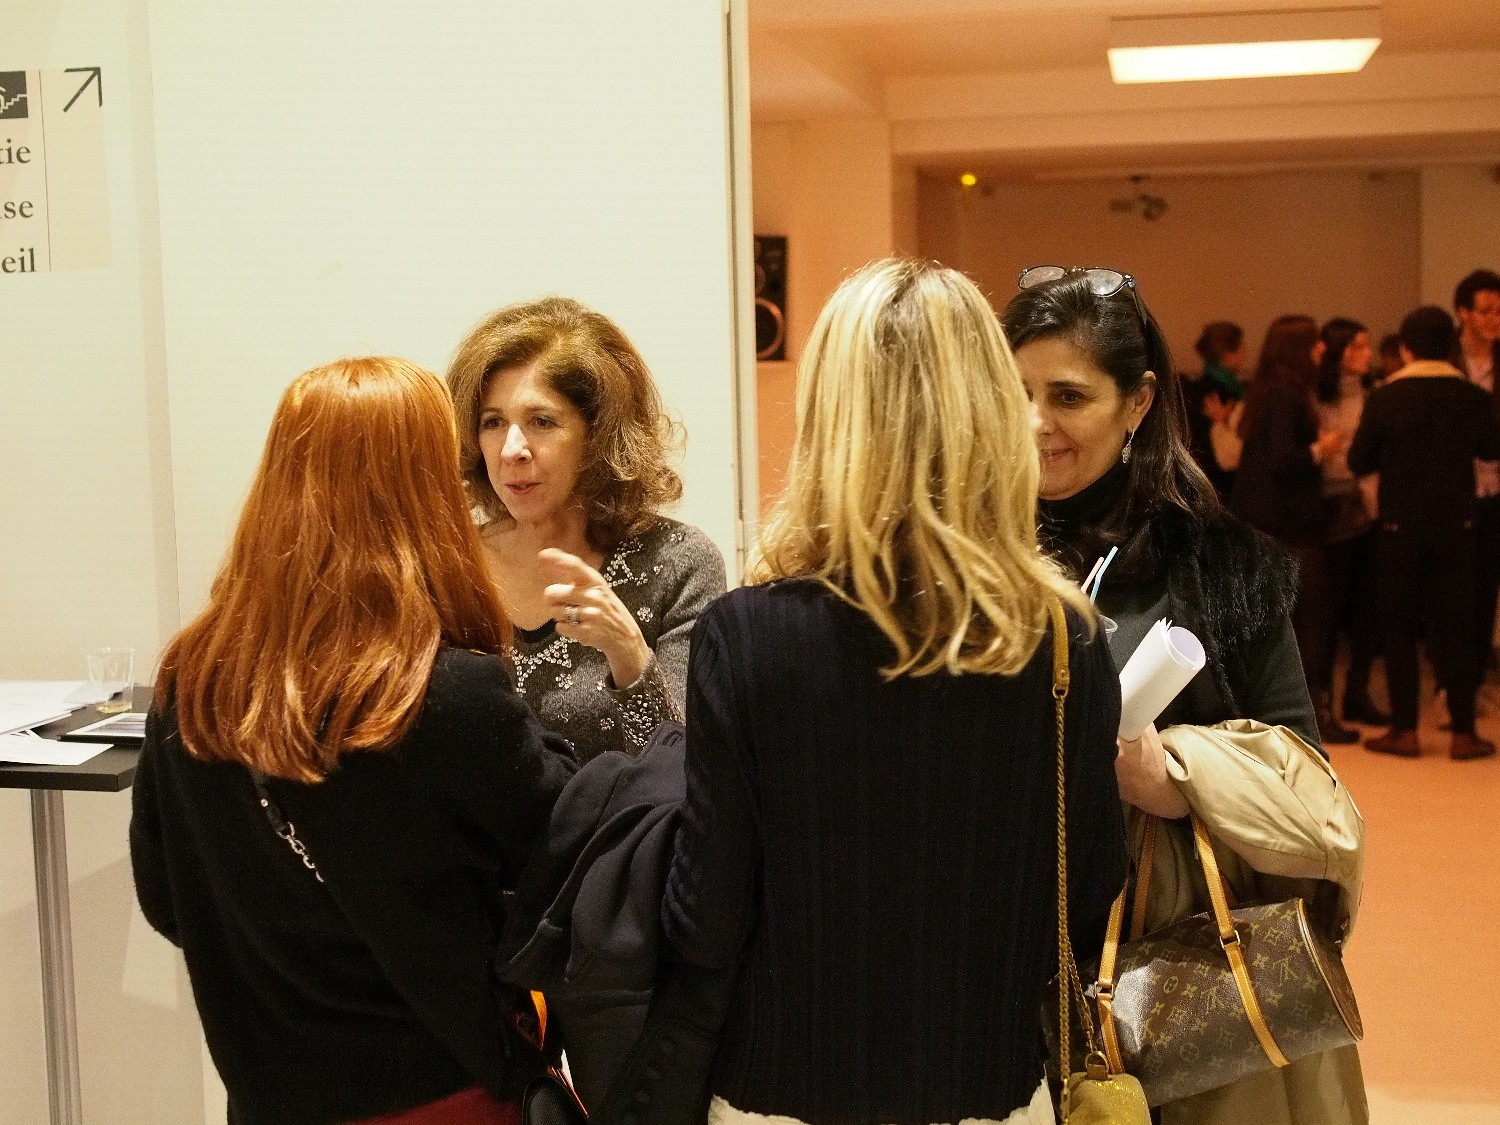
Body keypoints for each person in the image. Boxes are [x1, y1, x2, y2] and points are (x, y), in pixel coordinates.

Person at [664, 258, 1129, 1125]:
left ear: (829, 416)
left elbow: (707, 918)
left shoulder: (747, 634)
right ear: (993, 413)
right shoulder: (1067, 638)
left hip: (785, 1092)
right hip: (989, 1087)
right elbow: (1092, 882)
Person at [130, 358, 579, 1125]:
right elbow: (563, 850)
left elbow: (165, 898)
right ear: (423, 496)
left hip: (266, 1099)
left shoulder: (190, 686)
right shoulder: (446, 692)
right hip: (445, 1095)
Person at [1003, 268, 1368, 1125]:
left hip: (1168, 972)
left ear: (1138, 402)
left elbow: (1309, 784)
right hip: (996, 957)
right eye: (1014, 393)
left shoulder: (1221, 566)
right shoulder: (960, 550)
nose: (1034, 423)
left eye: (1067, 396)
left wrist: (1178, 772)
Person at [446, 297, 726, 762]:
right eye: (493, 422)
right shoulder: (451, 563)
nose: (512, 449)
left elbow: (688, 765)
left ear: (598, 434)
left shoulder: (677, 562)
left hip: (625, 813)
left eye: (541, 421)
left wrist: (628, 653)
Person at [1349, 306, 1500, 760]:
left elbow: (1359, 461)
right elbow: (1491, 450)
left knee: (1398, 627)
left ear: (1405, 349)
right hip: (1459, 526)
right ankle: (1464, 733)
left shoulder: (1386, 397)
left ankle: (1404, 730)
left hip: (1399, 527)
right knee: (1459, 626)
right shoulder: (1472, 397)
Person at [1230, 315, 1357, 744]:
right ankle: (1315, 715)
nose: (1322, 348)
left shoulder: (1267, 391)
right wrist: (1322, 448)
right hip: (1289, 527)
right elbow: (1283, 460)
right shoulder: (1286, 396)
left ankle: (1280, 713)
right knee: (1314, 619)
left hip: (1265, 524)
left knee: (1280, 621)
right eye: (1315, 342)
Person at [1315, 318, 1387, 727]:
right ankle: (1322, 702)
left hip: (1370, 505)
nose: (1366, 354)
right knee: (1328, 610)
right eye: (1357, 347)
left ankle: (1358, 694)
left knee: (1368, 607)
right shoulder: (1315, 394)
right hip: (1331, 504)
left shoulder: (1374, 391)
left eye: (1367, 346)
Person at [1452, 270, 1500, 679]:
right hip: (1454, 485)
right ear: (1463, 313)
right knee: (1453, 584)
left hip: (1496, 486)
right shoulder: (1446, 358)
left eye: (1499, 311)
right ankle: (1450, 673)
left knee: (1487, 581)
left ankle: (1477, 668)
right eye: (1485, 311)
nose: (1494, 320)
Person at [1186, 321, 1246, 499]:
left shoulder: (1197, 387)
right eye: (1241, 347)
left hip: (1205, 476)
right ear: (1228, 354)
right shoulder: (1221, 393)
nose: (1245, 352)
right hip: (1220, 480)